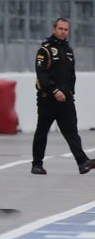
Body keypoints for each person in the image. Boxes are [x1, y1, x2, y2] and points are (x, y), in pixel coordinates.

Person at [32, 18, 95, 176]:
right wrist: (54, 90)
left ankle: (82, 162)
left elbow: (71, 75)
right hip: (48, 98)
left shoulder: (68, 50)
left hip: (65, 99)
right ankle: (37, 164)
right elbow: (41, 73)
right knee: (42, 131)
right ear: (54, 29)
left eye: (66, 29)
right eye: (60, 28)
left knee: (71, 131)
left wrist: (70, 92)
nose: (63, 32)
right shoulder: (45, 49)